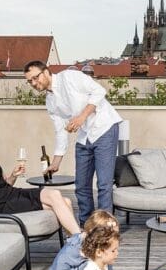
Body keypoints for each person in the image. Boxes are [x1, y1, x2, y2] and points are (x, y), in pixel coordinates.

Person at [23, 60, 122, 226]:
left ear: (46, 72)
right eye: (30, 81)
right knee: (81, 185)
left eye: (35, 77)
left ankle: (106, 228)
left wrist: (82, 117)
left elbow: (99, 91)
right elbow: (61, 130)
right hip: (84, 136)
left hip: (104, 128)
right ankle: (87, 227)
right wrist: (56, 161)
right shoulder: (50, 101)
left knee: (104, 184)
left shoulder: (70, 77)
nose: (33, 83)